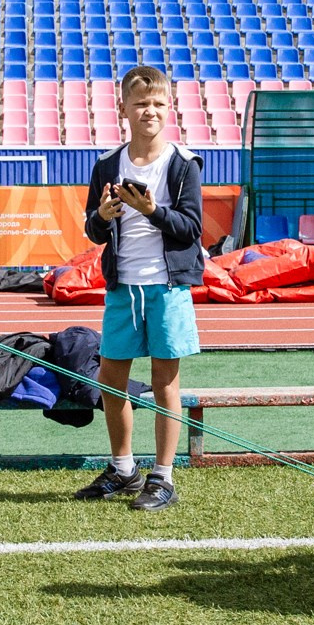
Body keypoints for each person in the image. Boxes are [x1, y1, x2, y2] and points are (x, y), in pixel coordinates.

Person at [73, 65, 201, 512]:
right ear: (123, 108)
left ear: (170, 108)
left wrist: (151, 210)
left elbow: (191, 228)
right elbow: (92, 230)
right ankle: (123, 469)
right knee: (111, 380)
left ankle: (162, 477)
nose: (151, 111)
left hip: (167, 287)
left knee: (166, 383)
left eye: (159, 103)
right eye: (142, 103)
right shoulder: (108, 164)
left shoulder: (183, 163)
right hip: (123, 287)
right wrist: (103, 216)